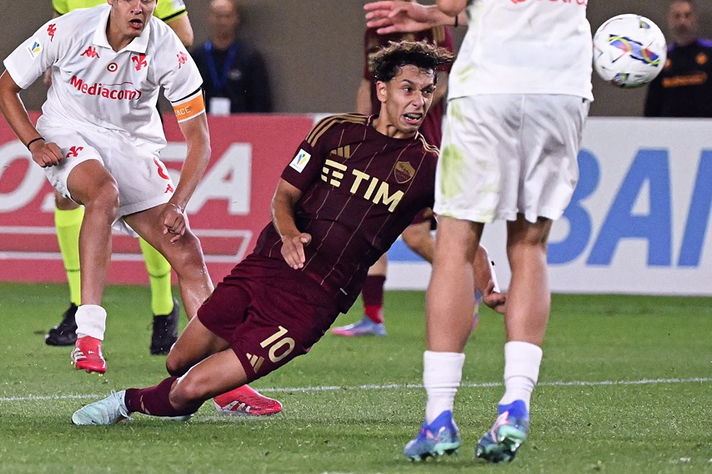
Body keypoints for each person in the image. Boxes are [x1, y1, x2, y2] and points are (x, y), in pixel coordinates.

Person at [69, 40, 505, 427]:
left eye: (427, 91)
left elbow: (463, 240)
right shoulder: (336, 131)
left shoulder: (429, 168)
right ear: (383, 89)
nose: (419, 101)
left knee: (186, 390)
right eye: (409, 88)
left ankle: (126, 403)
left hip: (314, 301)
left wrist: (489, 284)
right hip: (265, 269)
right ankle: (200, 387)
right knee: (177, 361)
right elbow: (282, 198)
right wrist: (291, 234)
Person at [365, 0, 593, 464]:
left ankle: (439, 416)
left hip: (491, 83)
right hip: (560, 82)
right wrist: (426, 9)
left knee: (457, 241)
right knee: (530, 245)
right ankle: (515, 402)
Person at [0, 0, 280, 415]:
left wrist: (179, 204)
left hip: (129, 146)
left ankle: (224, 383)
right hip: (66, 130)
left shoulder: (167, 49)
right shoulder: (68, 29)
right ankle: (88, 333)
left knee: (187, 252)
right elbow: (5, 87)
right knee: (103, 194)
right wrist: (32, 140)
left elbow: (199, 140)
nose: (138, 7)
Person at [43, 0, 194, 358]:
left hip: (127, 112)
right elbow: (57, 39)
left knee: (146, 202)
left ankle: (163, 308)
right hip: (78, 111)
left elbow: (181, 35)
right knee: (71, 199)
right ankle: (76, 305)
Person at [331, 0, 455, 337]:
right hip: (381, 136)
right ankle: (373, 316)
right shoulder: (377, 27)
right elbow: (370, 81)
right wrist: (363, 128)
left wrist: (408, 115)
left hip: (420, 138)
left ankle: (469, 282)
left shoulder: (432, 23)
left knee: (416, 232)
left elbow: (444, 81)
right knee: (372, 224)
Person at [643, 0, 712, 118]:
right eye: (677, 16)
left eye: (687, 15)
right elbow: (652, 105)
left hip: (709, 130)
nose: (682, 21)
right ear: (669, 20)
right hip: (671, 132)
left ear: (695, 19)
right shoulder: (660, 59)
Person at [189, 0, 273, 115]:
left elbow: (261, 101)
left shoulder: (250, 57)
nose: (223, 21)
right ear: (210, 18)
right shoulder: (198, 56)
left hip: (242, 126)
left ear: (236, 19)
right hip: (205, 125)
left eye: (227, 16)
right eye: (218, 16)